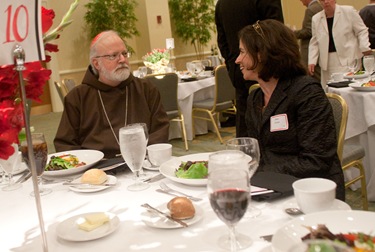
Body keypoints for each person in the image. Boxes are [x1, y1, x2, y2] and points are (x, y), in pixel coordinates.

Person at [235, 19, 345, 200]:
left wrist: (257, 173)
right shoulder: (255, 97)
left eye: (242, 52)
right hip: (269, 187)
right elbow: (253, 150)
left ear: (261, 54)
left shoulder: (306, 93)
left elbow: (316, 160)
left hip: (311, 193)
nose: (238, 60)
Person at [54, 30, 169, 158]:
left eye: (124, 53)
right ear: (96, 63)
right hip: (97, 169)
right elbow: (65, 144)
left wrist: (144, 156)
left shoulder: (146, 89)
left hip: (142, 164)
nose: (122, 60)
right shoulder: (78, 97)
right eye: (113, 56)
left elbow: (160, 130)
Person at [215, 0, 284, 137]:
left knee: (244, 122)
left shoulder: (222, 3)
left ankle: (246, 154)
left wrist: (232, 64)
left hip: (239, 72)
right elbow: (277, 33)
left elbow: (222, 42)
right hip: (268, 71)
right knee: (276, 119)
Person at [308, 0, 372, 89]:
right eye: (322, 0)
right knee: (329, 90)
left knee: (347, 88)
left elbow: (362, 30)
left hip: (348, 60)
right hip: (327, 63)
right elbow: (314, 41)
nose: (326, 2)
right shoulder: (316, 18)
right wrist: (312, 61)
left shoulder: (348, 11)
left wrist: (364, 47)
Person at [294, 0, 322, 81]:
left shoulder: (310, 10)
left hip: (309, 49)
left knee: (313, 76)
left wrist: (292, 33)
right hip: (318, 49)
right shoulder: (319, 7)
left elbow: (309, 31)